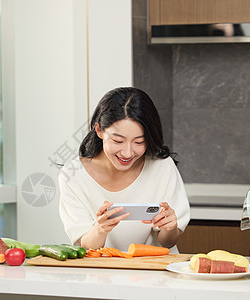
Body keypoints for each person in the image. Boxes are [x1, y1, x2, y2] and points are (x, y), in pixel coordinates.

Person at [58, 87, 190, 253]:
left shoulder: (162, 167)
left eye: (139, 142)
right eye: (118, 141)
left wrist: (170, 227)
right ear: (99, 130)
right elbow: (85, 245)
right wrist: (100, 229)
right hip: (102, 275)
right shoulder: (73, 176)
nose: (127, 153)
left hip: (156, 273)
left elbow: (167, 243)